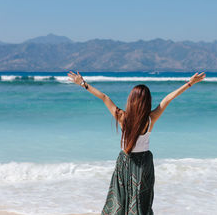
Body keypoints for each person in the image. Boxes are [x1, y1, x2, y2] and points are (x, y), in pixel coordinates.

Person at [67, 71, 206, 215]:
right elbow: (168, 99)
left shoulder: (122, 117)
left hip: (125, 162)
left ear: (131, 100)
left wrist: (83, 84)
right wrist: (190, 83)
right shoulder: (151, 118)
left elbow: (104, 97)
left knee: (120, 200)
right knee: (141, 202)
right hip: (144, 163)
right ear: (147, 101)